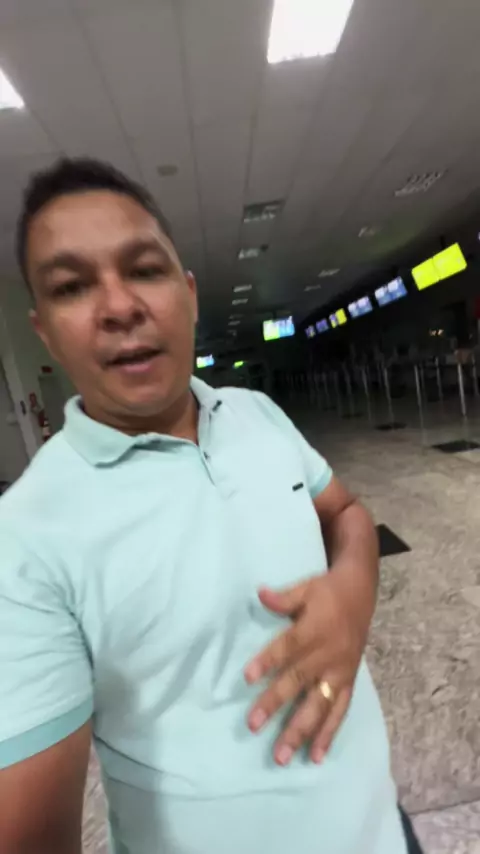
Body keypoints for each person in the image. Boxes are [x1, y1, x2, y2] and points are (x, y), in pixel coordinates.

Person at [0, 159, 411, 854]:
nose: (119, 306)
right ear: (45, 332)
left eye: (144, 269)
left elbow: (345, 514)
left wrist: (351, 593)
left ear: (188, 294)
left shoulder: (256, 413)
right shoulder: (25, 535)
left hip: (385, 829)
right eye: (73, 286)